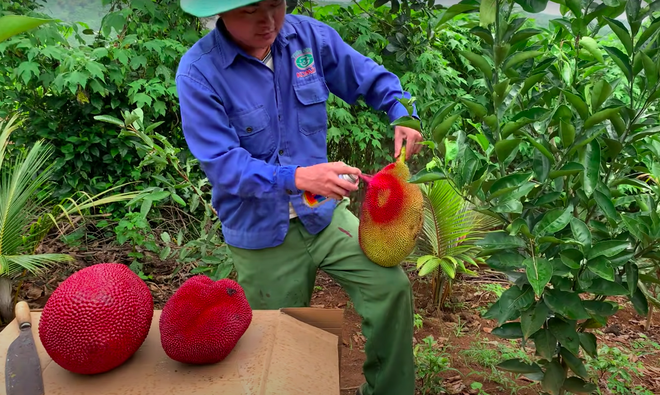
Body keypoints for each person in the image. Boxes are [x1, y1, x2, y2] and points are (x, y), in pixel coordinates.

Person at [175, 1, 424, 394]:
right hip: (261, 230)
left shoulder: (307, 37)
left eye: (276, 4)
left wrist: (402, 110)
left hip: (323, 216)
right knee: (280, 340)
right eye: (250, 12)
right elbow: (224, 165)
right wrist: (298, 176)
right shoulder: (199, 72)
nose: (269, 21)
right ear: (219, 15)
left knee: (390, 288)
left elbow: (368, 78)